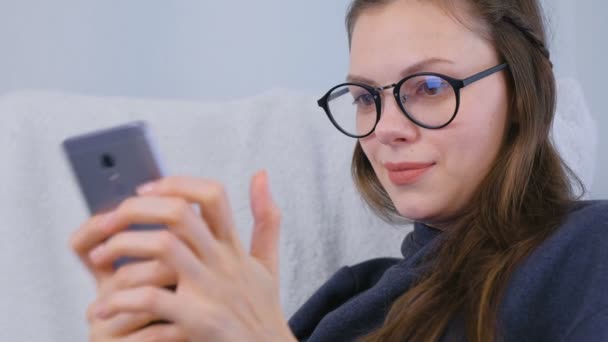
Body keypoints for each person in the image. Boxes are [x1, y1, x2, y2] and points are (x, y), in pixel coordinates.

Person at [70, 0, 608, 341]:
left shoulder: (589, 249)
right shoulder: (349, 297)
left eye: (430, 87)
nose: (385, 127)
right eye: (364, 97)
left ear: (526, 89)